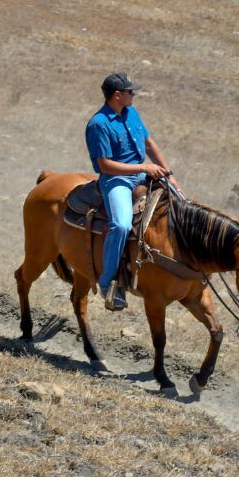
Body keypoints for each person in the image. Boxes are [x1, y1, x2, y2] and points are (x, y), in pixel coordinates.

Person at [85, 72, 181, 311]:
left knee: (181, 202)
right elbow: (105, 165)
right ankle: (108, 282)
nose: (134, 95)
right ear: (118, 95)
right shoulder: (99, 124)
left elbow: (149, 143)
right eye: (130, 92)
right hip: (116, 181)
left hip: (142, 173)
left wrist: (170, 175)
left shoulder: (131, 113)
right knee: (122, 224)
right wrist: (144, 167)